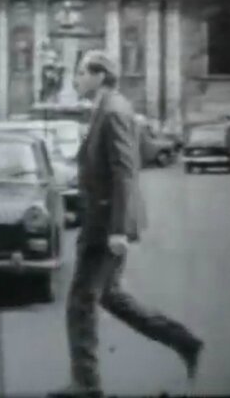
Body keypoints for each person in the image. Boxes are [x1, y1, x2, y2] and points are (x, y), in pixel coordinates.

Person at [49, 50, 203, 398]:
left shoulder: (114, 110)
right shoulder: (107, 108)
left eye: (81, 73)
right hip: (100, 218)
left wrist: (119, 228)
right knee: (111, 296)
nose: (75, 80)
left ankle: (87, 384)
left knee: (81, 303)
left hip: (105, 223)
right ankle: (186, 343)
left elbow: (124, 170)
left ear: (100, 75)